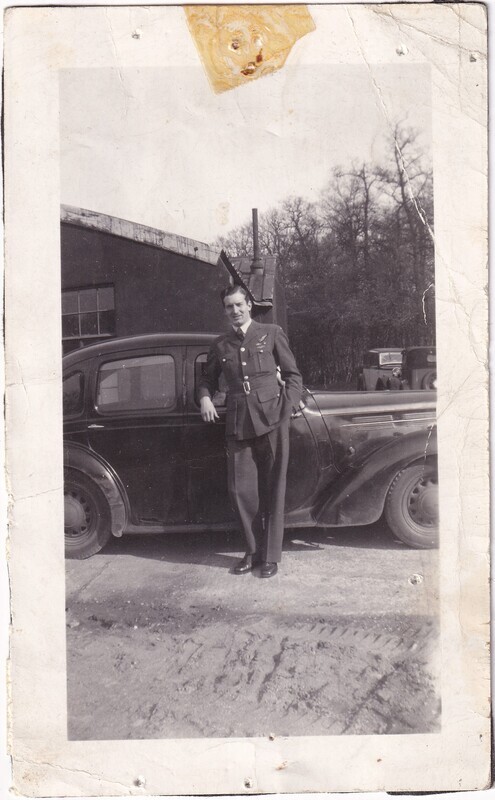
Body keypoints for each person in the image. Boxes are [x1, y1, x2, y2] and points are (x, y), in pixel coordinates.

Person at [198, 285, 303, 578]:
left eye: (239, 305)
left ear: (250, 305)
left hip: (272, 420)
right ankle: (252, 551)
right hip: (239, 423)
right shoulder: (220, 345)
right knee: (241, 491)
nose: (235, 311)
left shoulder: (271, 333)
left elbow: (293, 376)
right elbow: (206, 379)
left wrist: (288, 406)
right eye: (229, 307)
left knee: (274, 488)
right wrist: (205, 396)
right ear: (225, 311)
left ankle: (270, 557)